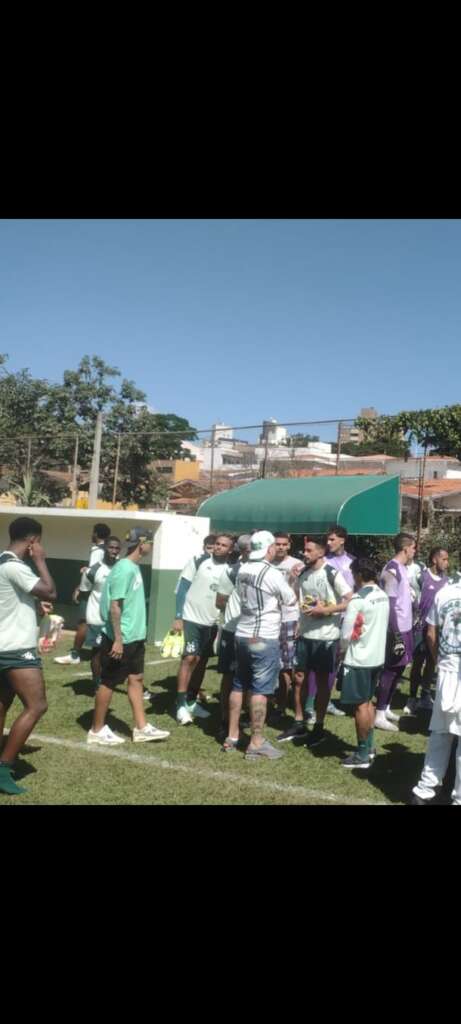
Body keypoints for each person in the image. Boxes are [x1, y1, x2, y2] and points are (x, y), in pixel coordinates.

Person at [87, 528, 170, 746]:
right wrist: (118, 639)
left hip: (134, 637)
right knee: (108, 682)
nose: (152, 546)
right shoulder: (125, 569)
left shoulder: (132, 567)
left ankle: (141, 728)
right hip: (121, 637)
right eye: (150, 542)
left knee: (136, 679)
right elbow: (115, 605)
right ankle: (96, 730)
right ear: (142, 544)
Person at [227, 531, 298, 759]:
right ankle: (256, 742)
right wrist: (292, 581)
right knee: (261, 689)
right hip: (263, 636)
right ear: (269, 549)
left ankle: (232, 736)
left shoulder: (242, 568)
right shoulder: (271, 572)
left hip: (242, 633)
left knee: (239, 685)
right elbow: (290, 599)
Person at [277, 537, 352, 747]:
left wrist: (325, 610)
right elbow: (294, 597)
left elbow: (349, 599)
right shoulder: (303, 573)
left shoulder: (331, 573)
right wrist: (292, 580)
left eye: (309, 550)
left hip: (326, 638)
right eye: (304, 550)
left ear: (320, 553)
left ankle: (318, 726)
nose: (305, 553)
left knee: (321, 683)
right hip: (305, 636)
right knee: (298, 678)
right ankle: (299, 721)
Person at [0, 516, 56, 796]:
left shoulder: (1, 562)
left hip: (2, 644)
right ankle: (3, 767)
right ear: (33, 541)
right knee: (37, 705)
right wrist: (42, 562)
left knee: (3, 701)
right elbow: (52, 591)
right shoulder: (15, 566)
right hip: (16, 649)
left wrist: (33, 604)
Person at [173, 533, 235, 725]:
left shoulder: (231, 570)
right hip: (191, 618)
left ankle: (191, 700)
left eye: (224, 545)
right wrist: (178, 616)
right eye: (217, 544)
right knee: (189, 658)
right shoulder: (197, 561)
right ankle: (180, 704)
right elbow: (182, 588)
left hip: (213, 623)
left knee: (201, 661)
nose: (218, 547)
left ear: (230, 549)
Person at [412, 574, 461, 805]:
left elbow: (431, 633)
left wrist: (439, 659)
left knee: (440, 733)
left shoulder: (444, 592)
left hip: (447, 669)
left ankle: (424, 790)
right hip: (453, 668)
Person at [338, 558, 389, 768]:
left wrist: (341, 653)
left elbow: (345, 634)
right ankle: (369, 747)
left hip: (359, 659)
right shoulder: (383, 595)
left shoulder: (358, 599)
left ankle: (361, 754)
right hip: (377, 658)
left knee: (360, 706)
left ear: (359, 574)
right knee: (367, 703)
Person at [375, 533, 415, 731]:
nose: (414, 551)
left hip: (406, 627)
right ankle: (379, 714)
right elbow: (389, 605)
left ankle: (387, 707)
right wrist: (396, 633)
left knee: (399, 669)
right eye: (413, 548)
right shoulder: (391, 570)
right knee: (390, 670)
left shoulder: (403, 569)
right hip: (396, 628)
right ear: (406, 548)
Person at [54, 522, 111, 666]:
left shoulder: (98, 550)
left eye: (93, 532)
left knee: (83, 622)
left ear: (96, 534)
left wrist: (80, 588)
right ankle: (102, 652)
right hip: (103, 592)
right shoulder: (107, 550)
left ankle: (75, 655)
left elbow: (93, 574)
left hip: (92, 593)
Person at [215, 534, 252, 743]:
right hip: (232, 631)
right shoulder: (232, 571)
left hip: (253, 633)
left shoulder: (264, 571)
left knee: (249, 676)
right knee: (229, 677)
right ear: (242, 551)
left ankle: (242, 718)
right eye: (248, 549)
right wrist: (235, 606)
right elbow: (220, 601)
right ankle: (224, 721)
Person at [404, 547, 449, 715]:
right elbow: (412, 598)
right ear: (434, 560)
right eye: (444, 559)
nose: (447, 563)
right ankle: (412, 697)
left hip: (437, 630)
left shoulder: (447, 582)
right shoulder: (422, 577)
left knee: (431, 663)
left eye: (447, 559)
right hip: (420, 627)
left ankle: (425, 695)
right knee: (417, 663)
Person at [79, 536, 121, 689]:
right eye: (111, 547)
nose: (114, 551)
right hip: (97, 617)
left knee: (116, 652)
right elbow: (84, 591)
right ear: (105, 549)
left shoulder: (122, 567)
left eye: (117, 548)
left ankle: (113, 679)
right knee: (97, 653)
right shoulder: (93, 570)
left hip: (116, 619)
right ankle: (97, 683)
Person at [271, 533, 304, 718]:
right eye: (277, 544)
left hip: (289, 617)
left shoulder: (296, 564)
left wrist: (299, 619)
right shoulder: (266, 563)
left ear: (289, 546)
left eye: (284, 544)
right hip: (270, 618)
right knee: (271, 662)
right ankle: (272, 700)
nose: (281, 547)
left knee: (287, 664)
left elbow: (301, 592)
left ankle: (284, 704)